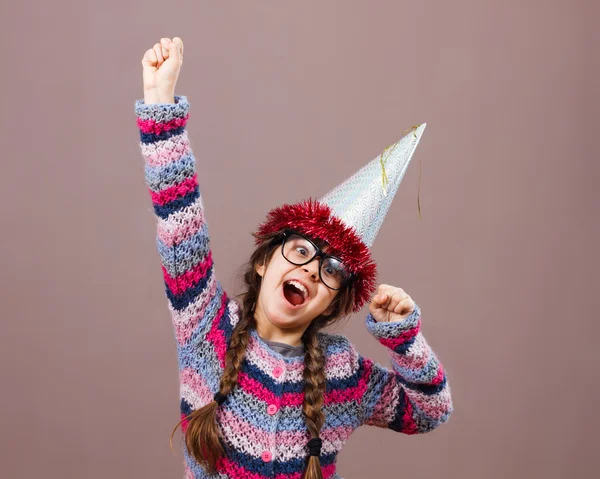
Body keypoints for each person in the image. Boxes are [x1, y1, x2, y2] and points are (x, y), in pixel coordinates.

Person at [135, 37, 452, 479]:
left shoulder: (343, 372)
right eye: (300, 250)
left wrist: (404, 339)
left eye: (330, 270)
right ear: (264, 262)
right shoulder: (206, 327)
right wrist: (160, 106)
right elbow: (180, 222)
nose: (308, 268)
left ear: (333, 302)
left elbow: (428, 411)